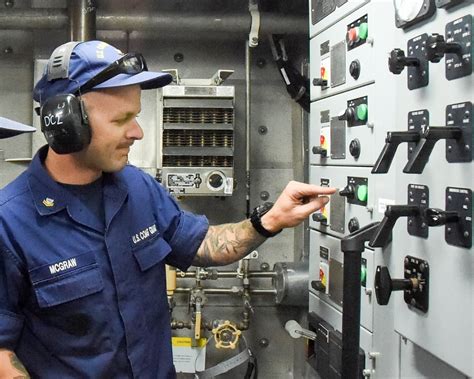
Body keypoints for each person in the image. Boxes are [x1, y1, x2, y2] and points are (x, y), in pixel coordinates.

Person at [0, 40, 336, 378]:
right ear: (66, 124)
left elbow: (202, 243)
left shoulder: (137, 188)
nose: (138, 132)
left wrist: (270, 220)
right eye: (122, 120)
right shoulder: (10, 223)